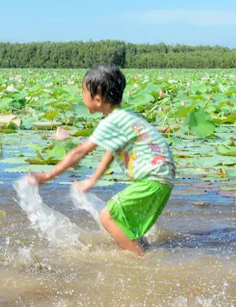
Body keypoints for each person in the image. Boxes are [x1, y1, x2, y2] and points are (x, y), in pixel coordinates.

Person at [27, 64, 176, 256]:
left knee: (107, 217)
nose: (81, 96)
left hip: (153, 178)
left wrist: (48, 175)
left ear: (97, 99)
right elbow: (110, 152)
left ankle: (141, 259)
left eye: (82, 91)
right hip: (162, 177)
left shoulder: (111, 122)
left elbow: (79, 151)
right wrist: (92, 180)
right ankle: (140, 247)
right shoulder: (124, 117)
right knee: (125, 223)